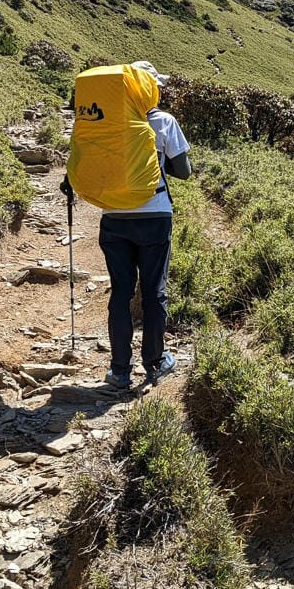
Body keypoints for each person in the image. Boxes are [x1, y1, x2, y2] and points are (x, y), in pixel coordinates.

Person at [78, 60, 191, 389]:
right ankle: (154, 362)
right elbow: (184, 172)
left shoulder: (104, 121)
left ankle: (119, 371)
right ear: (148, 88)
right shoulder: (164, 122)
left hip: (113, 217)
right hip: (154, 216)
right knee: (154, 292)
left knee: (121, 293)